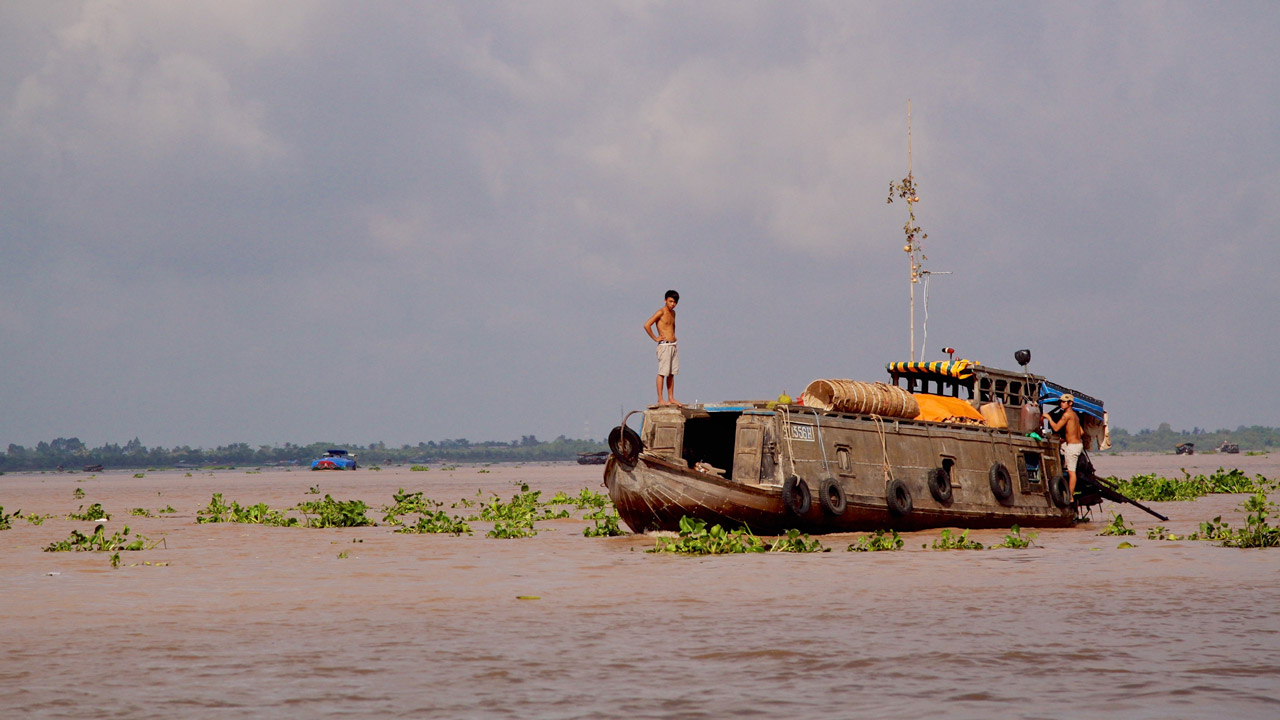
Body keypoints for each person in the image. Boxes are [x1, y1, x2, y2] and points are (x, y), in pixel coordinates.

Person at [643, 290, 680, 406]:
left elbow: (672, 326)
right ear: (665, 300)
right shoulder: (661, 312)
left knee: (671, 373)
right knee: (662, 372)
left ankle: (671, 398)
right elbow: (647, 324)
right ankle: (660, 398)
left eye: (674, 302)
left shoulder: (673, 313)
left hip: (672, 345)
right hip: (664, 345)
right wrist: (655, 338)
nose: (672, 304)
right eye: (670, 301)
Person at [1046, 393, 1084, 499]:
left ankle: (1070, 496)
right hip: (1075, 445)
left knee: (1072, 472)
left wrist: (1049, 418)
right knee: (1061, 449)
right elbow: (1081, 432)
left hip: (1073, 446)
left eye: (1064, 402)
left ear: (1070, 403)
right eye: (1061, 402)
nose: (1061, 404)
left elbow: (1056, 428)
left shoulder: (1067, 415)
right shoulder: (1075, 415)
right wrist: (1068, 438)